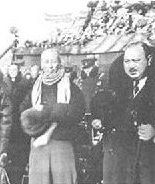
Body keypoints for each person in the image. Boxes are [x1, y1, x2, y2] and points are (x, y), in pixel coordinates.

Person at [92, 41, 155, 184]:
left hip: (148, 162)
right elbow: (101, 105)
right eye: (127, 61)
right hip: (123, 163)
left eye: (136, 60)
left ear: (149, 60)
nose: (131, 66)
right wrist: (99, 120)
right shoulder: (118, 83)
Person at [20, 48, 85, 184]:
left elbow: (78, 111)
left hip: (62, 142)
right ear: (41, 64)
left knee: (64, 180)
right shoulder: (35, 87)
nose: (50, 66)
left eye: (53, 61)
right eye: (46, 62)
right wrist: (34, 118)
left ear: (59, 63)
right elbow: (24, 111)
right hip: (39, 143)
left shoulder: (70, 87)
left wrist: (48, 111)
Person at [4, 64, 31, 184]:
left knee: (20, 151)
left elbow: (27, 100)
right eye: (11, 70)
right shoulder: (4, 84)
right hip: (9, 122)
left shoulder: (24, 84)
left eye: (15, 69)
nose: (13, 72)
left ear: (18, 70)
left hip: (20, 121)